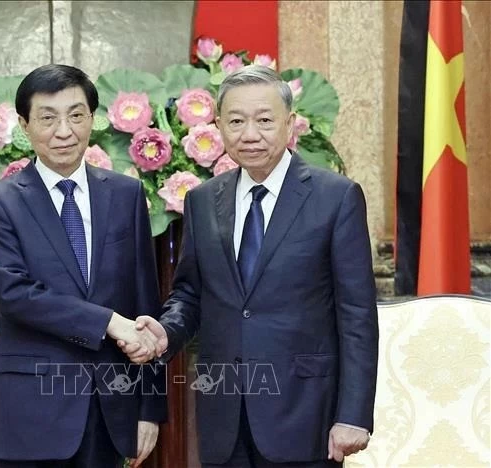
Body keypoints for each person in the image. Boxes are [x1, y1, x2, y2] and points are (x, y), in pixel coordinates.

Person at [120, 65, 379, 467]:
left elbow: (357, 314)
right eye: (237, 121)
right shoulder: (204, 200)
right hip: (223, 414)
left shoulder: (336, 197)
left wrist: (353, 415)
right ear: (219, 125)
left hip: (305, 412)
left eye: (264, 120)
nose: (250, 134)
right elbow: (190, 293)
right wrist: (166, 332)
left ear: (290, 123)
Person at [0, 64, 167, 468]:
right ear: (25, 125)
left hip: (112, 411)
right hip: (33, 413)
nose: (64, 131)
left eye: (76, 115)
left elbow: (146, 303)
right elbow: (15, 296)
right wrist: (109, 321)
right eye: (48, 117)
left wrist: (150, 408)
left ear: (92, 120)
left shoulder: (126, 194)